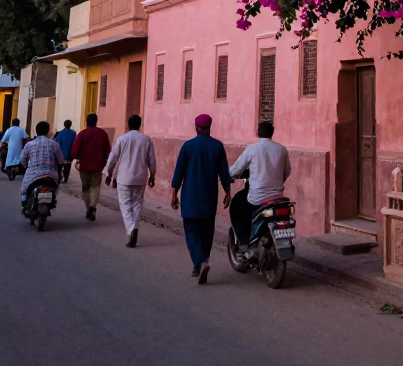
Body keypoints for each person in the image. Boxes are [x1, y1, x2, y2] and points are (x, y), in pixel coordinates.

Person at [170, 114, 231, 284]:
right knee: (207, 233)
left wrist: (174, 193)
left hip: (190, 197)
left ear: (196, 128)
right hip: (209, 197)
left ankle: (200, 261)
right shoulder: (218, 147)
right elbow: (224, 173)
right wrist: (228, 192)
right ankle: (200, 263)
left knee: (191, 231)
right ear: (210, 127)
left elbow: (179, 172)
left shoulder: (188, 146)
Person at [104, 114, 156, 248]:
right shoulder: (146, 139)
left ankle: (131, 228)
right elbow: (152, 160)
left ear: (128, 124)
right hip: (140, 177)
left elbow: (113, 158)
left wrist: (109, 173)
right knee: (137, 204)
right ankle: (135, 228)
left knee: (125, 205)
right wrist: (152, 175)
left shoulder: (122, 139)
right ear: (140, 124)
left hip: (124, 177)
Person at [228, 120, 291, 209]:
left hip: (257, 199)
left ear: (258, 133)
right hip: (278, 197)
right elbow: (287, 171)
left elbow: (237, 168)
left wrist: (227, 175)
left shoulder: (252, 149)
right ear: (272, 133)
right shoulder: (282, 149)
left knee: (240, 208)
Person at [70, 113, 111, 222]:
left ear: (86, 121)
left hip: (84, 166)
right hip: (98, 165)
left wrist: (77, 157)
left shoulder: (82, 134)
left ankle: (89, 208)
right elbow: (108, 150)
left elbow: (74, 152)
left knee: (86, 188)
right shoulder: (103, 134)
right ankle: (93, 206)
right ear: (96, 121)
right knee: (96, 186)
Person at [20, 121, 64, 203]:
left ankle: (24, 202)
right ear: (47, 131)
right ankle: (52, 199)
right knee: (55, 188)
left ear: (36, 131)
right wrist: (58, 170)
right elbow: (61, 160)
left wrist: (26, 167)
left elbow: (23, 158)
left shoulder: (29, 144)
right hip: (50, 174)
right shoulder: (54, 144)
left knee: (24, 189)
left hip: (33, 174)